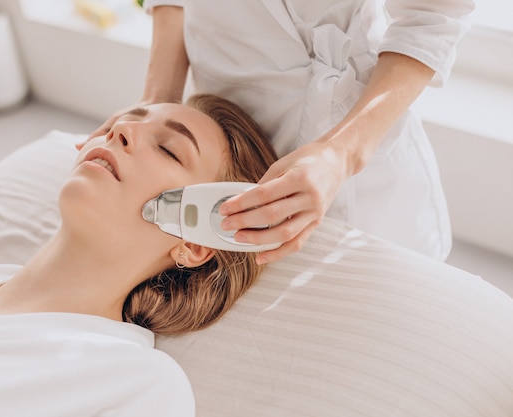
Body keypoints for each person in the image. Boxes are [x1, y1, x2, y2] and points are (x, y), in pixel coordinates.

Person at [0, 94, 278, 416]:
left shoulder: (140, 385)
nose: (121, 131)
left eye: (168, 149)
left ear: (193, 244)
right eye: (119, 123)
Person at [85, 0, 475, 264]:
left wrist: (341, 154)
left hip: (353, 141)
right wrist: (158, 100)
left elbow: (433, 15)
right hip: (221, 120)